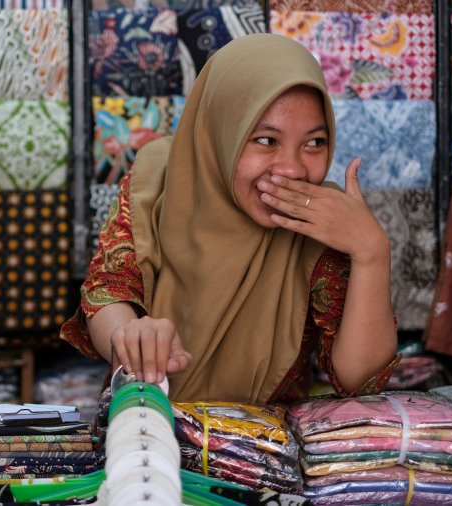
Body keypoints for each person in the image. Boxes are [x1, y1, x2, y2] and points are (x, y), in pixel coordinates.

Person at [61, 33, 399, 405]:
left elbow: (359, 383)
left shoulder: (321, 218)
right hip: (147, 424)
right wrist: (128, 335)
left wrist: (372, 252)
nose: (292, 169)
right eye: (266, 140)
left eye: (314, 142)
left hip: (263, 439)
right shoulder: (158, 178)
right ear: (222, 133)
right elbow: (108, 290)